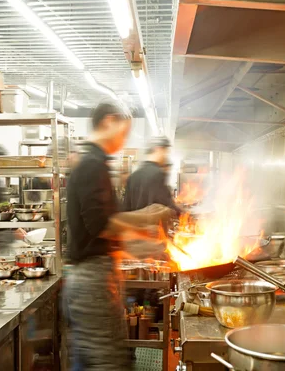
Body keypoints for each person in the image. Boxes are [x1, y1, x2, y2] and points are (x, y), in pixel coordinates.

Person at [64, 100, 172, 371]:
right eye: (125, 132)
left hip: (95, 278)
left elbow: (102, 236)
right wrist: (148, 216)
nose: (124, 141)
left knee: (97, 358)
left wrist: (146, 246)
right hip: (91, 283)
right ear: (109, 121)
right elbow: (102, 225)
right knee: (106, 362)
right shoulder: (91, 164)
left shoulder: (94, 162)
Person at [123, 136, 183, 216]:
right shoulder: (157, 173)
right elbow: (166, 204)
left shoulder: (133, 176)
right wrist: (184, 214)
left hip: (134, 226)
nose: (165, 156)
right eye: (165, 151)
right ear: (158, 149)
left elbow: (126, 208)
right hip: (151, 226)